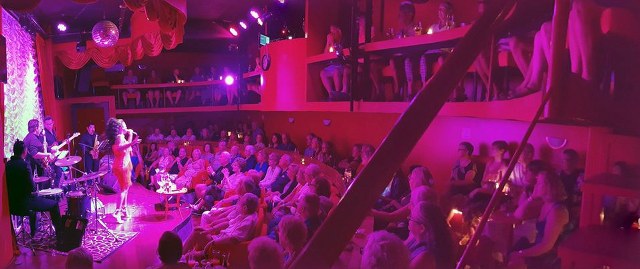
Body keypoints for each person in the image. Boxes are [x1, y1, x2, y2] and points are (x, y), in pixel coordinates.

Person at [508, 169, 569, 269]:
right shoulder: (545, 204)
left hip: (550, 257)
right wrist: (531, 197)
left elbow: (547, 245)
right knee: (511, 256)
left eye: (539, 183)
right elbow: (517, 215)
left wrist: (521, 253)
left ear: (549, 186)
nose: (535, 185)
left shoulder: (557, 211)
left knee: (514, 262)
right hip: (540, 251)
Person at [6, 139, 62, 240]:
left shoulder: (7, 165)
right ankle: (61, 236)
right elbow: (31, 187)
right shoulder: (24, 165)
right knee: (54, 204)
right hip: (25, 203)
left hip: (12, 205)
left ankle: (33, 233)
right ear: (24, 151)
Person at [106, 118, 140, 223]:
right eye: (125, 125)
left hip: (124, 164)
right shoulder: (120, 137)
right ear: (121, 128)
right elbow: (120, 148)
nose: (126, 127)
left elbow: (128, 149)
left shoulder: (121, 137)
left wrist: (130, 136)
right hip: (122, 166)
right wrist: (133, 142)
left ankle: (124, 209)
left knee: (125, 188)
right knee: (123, 190)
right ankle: (117, 212)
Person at [405, 202, 454, 269]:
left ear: (422, 228)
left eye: (411, 217)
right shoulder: (417, 238)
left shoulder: (425, 257)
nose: (408, 219)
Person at [320, 25, 349, 101]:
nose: (332, 34)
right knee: (323, 73)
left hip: (342, 65)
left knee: (336, 71)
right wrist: (328, 42)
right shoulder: (330, 42)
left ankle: (338, 94)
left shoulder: (344, 40)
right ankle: (331, 94)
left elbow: (339, 55)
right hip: (333, 65)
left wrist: (334, 45)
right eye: (331, 32)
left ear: (338, 31)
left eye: (333, 32)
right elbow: (325, 55)